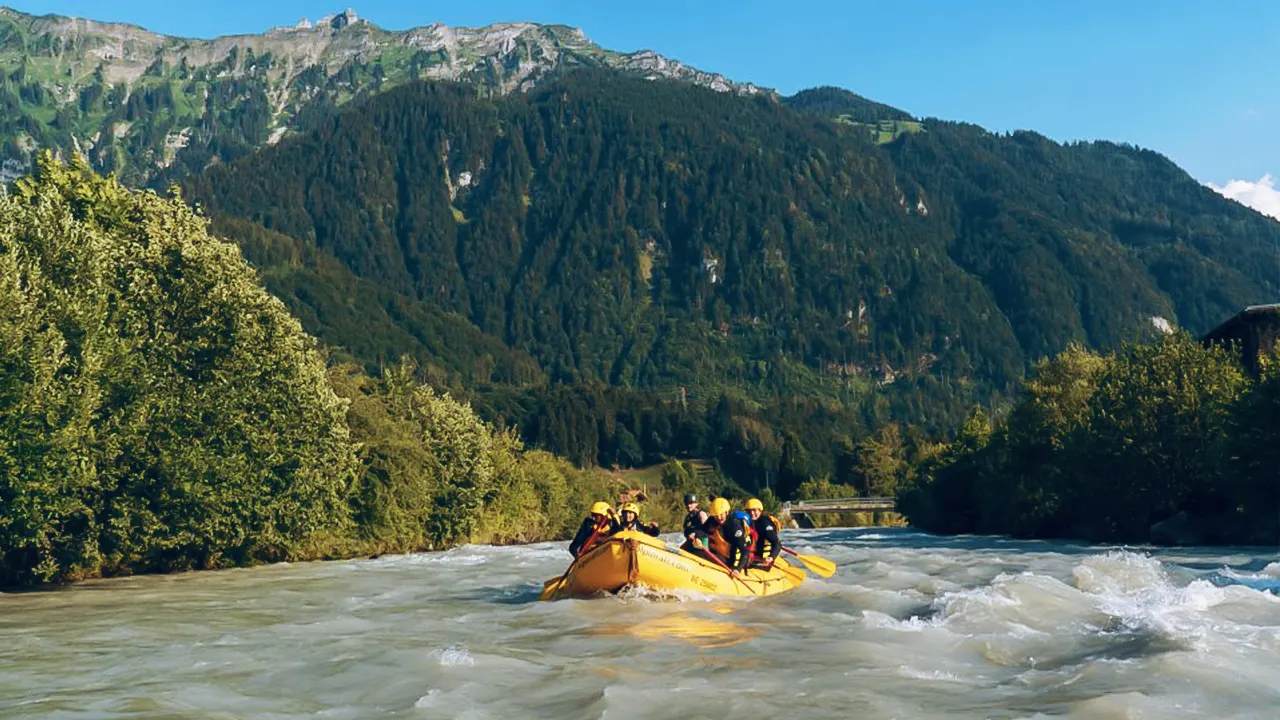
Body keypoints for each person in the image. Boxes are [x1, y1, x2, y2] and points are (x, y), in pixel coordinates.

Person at [697, 497, 751, 577]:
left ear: (727, 512)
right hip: (713, 552)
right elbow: (702, 530)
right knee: (692, 545)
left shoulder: (734, 527)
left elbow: (745, 551)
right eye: (716, 515)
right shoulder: (712, 519)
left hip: (726, 560)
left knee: (698, 552)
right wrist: (697, 537)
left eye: (721, 514)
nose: (718, 518)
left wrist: (737, 569)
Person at [743, 498, 782, 568]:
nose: (752, 513)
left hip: (764, 560)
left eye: (754, 510)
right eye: (749, 511)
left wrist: (771, 557)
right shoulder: (747, 522)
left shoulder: (765, 523)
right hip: (753, 557)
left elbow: (777, 544)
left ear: (760, 511)